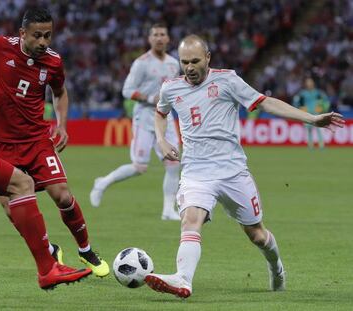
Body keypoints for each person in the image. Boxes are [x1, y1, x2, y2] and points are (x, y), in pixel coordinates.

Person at [145, 35, 345, 298]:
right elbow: (160, 113)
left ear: (208, 58)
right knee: (190, 219)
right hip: (196, 171)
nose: (190, 67)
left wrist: (311, 119)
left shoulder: (227, 81)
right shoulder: (171, 88)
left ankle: (276, 268)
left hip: (232, 172)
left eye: (195, 61)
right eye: (184, 62)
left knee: (257, 235)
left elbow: (265, 102)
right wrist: (160, 139)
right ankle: (183, 279)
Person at [0, 8, 109, 277]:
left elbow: (60, 92)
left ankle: (86, 249)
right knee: (13, 211)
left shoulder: (54, 62)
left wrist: (63, 124)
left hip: (36, 141)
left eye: (48, 36)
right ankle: (50, 251)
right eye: (37, 36)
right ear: (22, 34)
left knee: (63, 196)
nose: (43, 42)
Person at [90, 23, 181, 220]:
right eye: (155, 34)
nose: (158, 38)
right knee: (140, 167)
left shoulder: (174, 64)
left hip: (166, 118)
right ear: (150, 39)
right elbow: (127, 90)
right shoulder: (141, 63)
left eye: (162, 34)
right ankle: (103, 182)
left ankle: (168, 210)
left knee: (174, 164)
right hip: (145, 118)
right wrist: (149, 99)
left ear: (167, 39)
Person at [293, 78, 330, 149]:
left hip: (317, 113)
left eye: (310, 82)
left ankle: (321, 145)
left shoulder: (318, 92)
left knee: (320, 128)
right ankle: (310, 145)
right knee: (308, 130)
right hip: (307, 114)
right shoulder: (303, 93)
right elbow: (296, 101)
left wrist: (323, 109)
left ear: (313, 83)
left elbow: (326, 100)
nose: (309, 84)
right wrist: (300, 109)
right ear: (305, 84)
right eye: (308, 82)